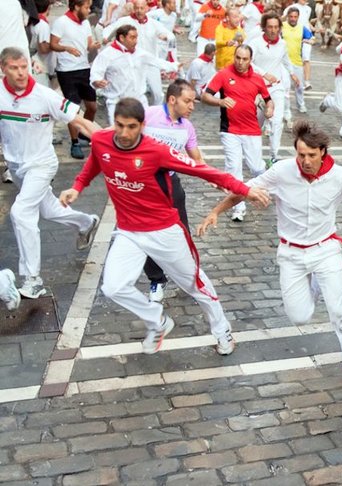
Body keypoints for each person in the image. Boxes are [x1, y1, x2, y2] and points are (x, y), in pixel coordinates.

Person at [197, 120, 342, 395]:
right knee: (299, 316)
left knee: (340, 313)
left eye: (311, 155)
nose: (306, 161)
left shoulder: (339, 176)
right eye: (301, 155)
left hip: (325, 251)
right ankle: (313, 286)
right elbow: (244, 189)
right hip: (291, 253)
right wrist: (216, 211)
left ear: (323, 151)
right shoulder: (281, 172)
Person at [59, 97, 270, 355]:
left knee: (195, 285)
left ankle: (222, 329)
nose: (124, 133)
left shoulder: (157, 151)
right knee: (112, 287)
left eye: (132, 127)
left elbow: (204, 171)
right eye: (120, 125)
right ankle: (157, 321)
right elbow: (95, 163)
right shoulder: (103, 139)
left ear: (142, 125)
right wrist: (77, 187)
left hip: (164, 231)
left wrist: (244, 189)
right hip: (129, 232)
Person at [0, 46, 101, 299]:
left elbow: (79, 121)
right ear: (4, 69)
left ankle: (32, 279)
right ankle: (86, 222)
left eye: (24, 66)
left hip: (42, 165)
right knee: (47, 209)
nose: (22, 73)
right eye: (15, 68)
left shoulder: (45, 96)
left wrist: (111, 142)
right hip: (17, 167)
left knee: (21, 212)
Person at [141, 80, 207, 301]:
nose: (192, 106)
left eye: (193, 102)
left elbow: (196, 158)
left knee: (182, 232)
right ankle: (156, 280)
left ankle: (189, 275)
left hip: (171, 184)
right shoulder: (148, 115)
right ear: (172, 99)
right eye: (187, 101)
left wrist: (214, 178)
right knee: (148, 234)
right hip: (144, 186)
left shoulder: (186, 127)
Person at [201, 45, 273, 222]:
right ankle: (238, 208)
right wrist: (220, 101)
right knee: (234, 169)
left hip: (252, 130)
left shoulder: (257, 79)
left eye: (245, 59)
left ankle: (267, 186)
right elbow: (205, 96)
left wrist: (270, 110)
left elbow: (268, 100)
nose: (240, 63)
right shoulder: (224, 74)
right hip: (230, 130)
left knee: (256, 167)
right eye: (238, 58)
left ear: (251, 60)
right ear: (234, 57)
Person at [90, 24, 179, 125]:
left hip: (139, 100)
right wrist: (97, 81)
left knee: (146, 128)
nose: (135, 41)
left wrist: (175, 66)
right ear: (122, 38)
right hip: (117, 102)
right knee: (117, 132)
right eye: (132, 37)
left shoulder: (140, 53)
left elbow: (156, 61)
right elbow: (96, 72)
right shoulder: (106, 55)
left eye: (136, 37)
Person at [50, 0, 101, 160]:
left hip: (84, 68)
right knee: (73, 108)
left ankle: (84, 131)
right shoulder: (61, 22)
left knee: (92, 106)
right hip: (67, 71)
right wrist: (66, 48)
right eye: (86, 7)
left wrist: (94, 46)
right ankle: (74, 142)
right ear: (76, 6)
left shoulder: (85, 23)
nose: (88, 10)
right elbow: (53, 44)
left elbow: (88, 45)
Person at [102, 0, 176, 106]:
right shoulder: (125, 21)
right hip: (133, 63)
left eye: (142, 8)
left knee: (158, 93)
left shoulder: (153, 23)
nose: (139, 11)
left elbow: (169, 34)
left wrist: (166, 37)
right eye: (137, 8)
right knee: (134, 92)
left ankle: (155, 114)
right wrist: (105, 37)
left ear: (147, 8)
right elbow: (110, 29)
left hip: (150, 62)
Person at [249, 12, 300, 164]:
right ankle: (253, 154)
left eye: (276, 27)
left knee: (277, 122)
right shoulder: (256, 43)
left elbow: (286, 60)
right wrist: (264, 74)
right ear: (264, 28)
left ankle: (273, 156)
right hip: (257, 89)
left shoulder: (282, 44)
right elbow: (248, 62)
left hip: (276, 88)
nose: (273, 30)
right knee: (256, 124)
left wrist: (292, 73)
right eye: (270, 27)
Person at [282, 8, 310, 113]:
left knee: (299, 86)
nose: (293, 19)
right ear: (288, 16)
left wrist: (309, 40)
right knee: (285, 87)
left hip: (297, 61)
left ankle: (301, 105)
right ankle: (286, 109)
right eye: (291, 16)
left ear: (298, 17)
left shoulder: (302, 28)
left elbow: (312, 38)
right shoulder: (282, 26)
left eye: (295, 17)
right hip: (283, 62)